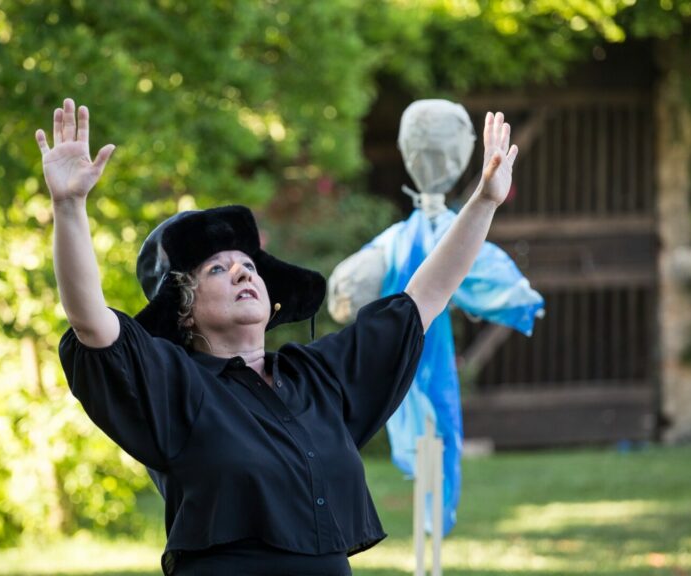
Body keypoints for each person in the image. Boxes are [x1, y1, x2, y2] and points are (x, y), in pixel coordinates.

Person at [35, 97, 519, 576]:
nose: (243, 274)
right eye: (218, 269)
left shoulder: (318, 378)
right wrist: (70, 206)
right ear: (185, 309)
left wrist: (484, 202)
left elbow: (425, 297)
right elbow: (90, 321)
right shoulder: (175, 383)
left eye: (249, 266)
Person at [327, 99, 544, 535]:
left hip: (411, 362)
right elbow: (514, 293)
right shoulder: (439, 246)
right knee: (432, 439)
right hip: (403, 365)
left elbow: (342, 296)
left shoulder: (396, 245)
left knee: (433, 443)